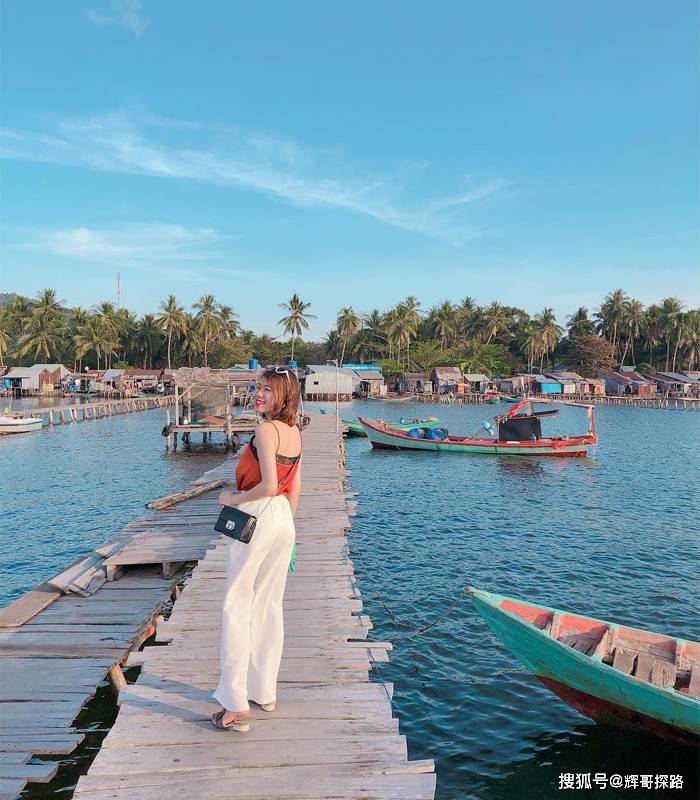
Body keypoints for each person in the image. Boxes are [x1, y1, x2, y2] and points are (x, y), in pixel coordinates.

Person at [211, 367, 302, 731]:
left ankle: (236, 704)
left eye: (268, 389)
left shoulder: (265, 430)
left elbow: (268, 484)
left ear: (284, 397)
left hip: (258, 513)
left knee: (237, 604)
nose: (259, 394)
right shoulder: (294, 432)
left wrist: (232, 499)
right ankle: (264, 691)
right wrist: (286, 528)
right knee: (268, 605)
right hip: (283, 519)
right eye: (259, 387)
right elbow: (292, 489)